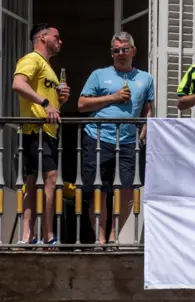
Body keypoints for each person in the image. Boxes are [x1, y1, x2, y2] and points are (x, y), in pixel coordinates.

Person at [77, 32, 154, 247]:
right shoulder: (98, 75)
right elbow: (82, 105)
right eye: (116, 50)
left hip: (129, 141)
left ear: (133, 51)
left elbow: (148, 108)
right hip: (98, 137)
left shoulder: (146, 78)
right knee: (98, 190)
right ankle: (99, 239)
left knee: (127, 190)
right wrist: (113, 97)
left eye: (124, 49)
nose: (120, 54)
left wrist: (146, 125)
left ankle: (113, 237)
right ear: (111, 53)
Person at [12, 23, 70, 245]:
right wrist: (46, 102)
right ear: (43, 38)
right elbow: (18, 84)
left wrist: (59, 99)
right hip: (35, 130)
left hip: (44, 131)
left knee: (32, 182)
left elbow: (49, 104)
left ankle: (27, 236)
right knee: (49, 179)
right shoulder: (32, 59)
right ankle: (47, 236)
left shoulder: (48, 67)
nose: (60, 41)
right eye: (57, 36)